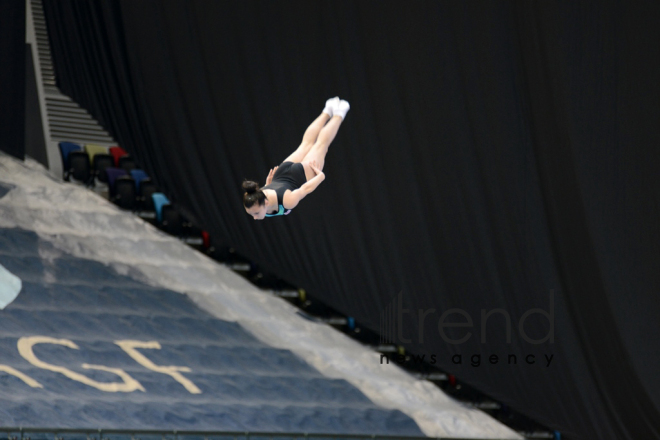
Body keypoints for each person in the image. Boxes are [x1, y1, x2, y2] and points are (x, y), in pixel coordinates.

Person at [243, 97, 350, 220]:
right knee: (305, 144)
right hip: (281, 172)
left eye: (256, 213)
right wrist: (268, 185)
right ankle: (327, 110)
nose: (254, 218)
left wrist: (320, 177)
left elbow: (306, 188)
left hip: (300, 175)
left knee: (321, 145)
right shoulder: (256, 195)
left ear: (266, 203)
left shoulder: (288, 201)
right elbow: (267, 190)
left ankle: (339, 112)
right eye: (251, 214)